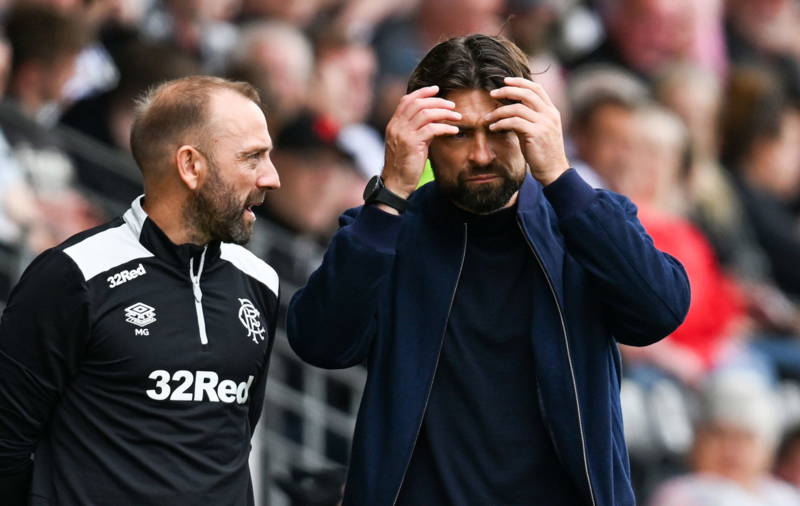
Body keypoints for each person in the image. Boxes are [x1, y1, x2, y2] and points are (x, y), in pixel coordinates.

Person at [287, 34, 690, 506]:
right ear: (425, 139)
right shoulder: (385, 232)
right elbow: (321, 343)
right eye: (458, 134)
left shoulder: (584, 221)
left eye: (500, 130)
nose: (481, 154)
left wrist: (560, 175)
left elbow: (659, 311)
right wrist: (391, 191)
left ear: (534, 129)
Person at [0, 76, 281, 505]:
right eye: (252, 157)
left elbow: (239, 435)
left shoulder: (260, 281)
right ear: (191, 166)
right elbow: (6, 443)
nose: (271, 178)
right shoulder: (74, 275)